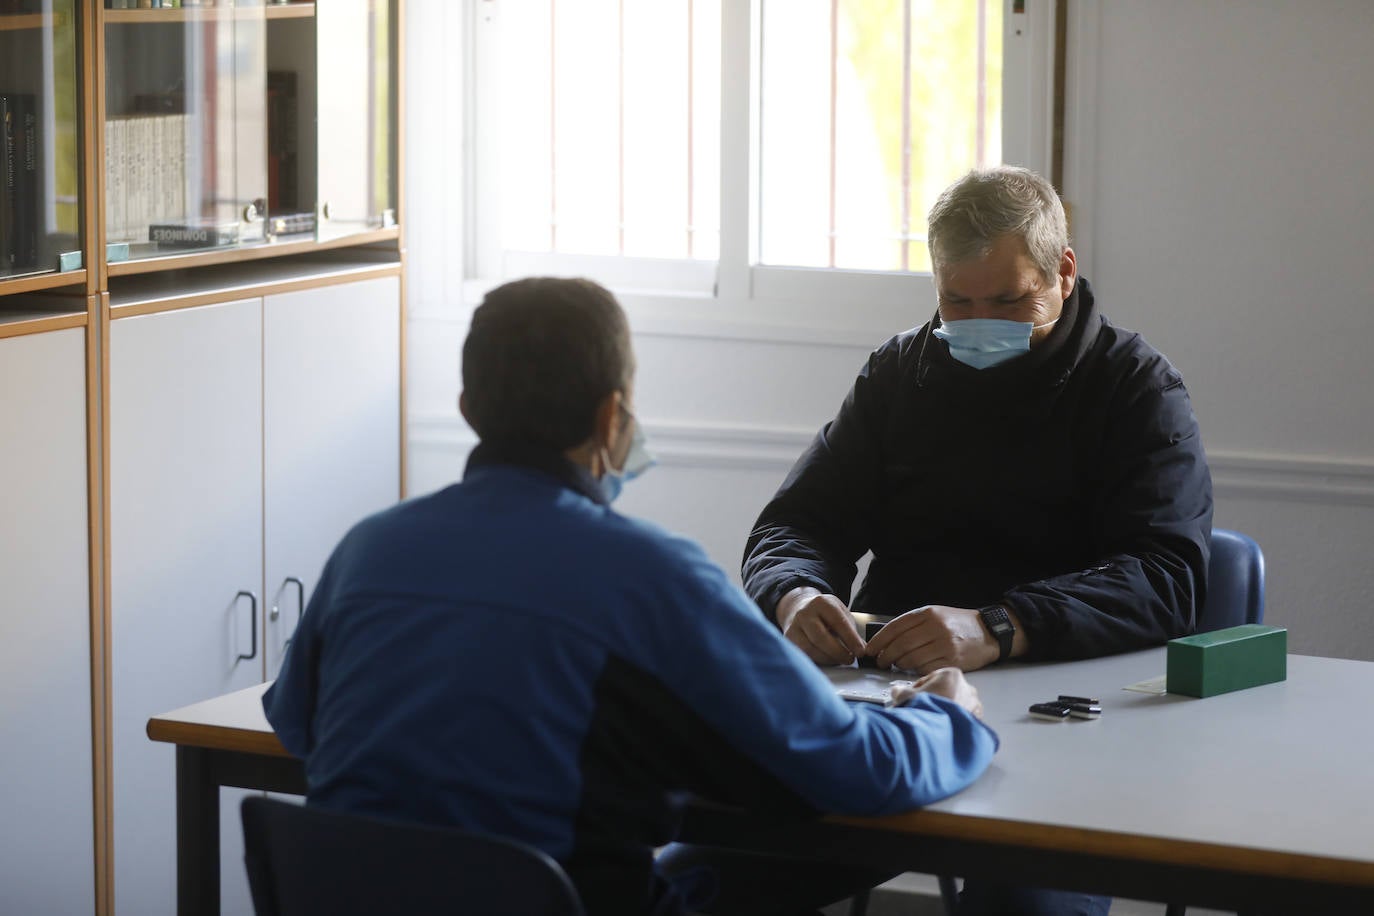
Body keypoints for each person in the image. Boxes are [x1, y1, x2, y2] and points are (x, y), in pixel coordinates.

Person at [262, 276, 999, 916]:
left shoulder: (368, 548)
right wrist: (946, 713)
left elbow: (293, 724)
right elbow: (854, 768)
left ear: (465, 407)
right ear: (612, 418)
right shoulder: (649, 575)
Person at [739, 166, 1213, 914]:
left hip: (1074, 719)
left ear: (1063, 272)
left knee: (1021, 908)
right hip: (897, 699)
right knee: (720, 871)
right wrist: (795, 592)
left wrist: (1001, 626)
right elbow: (795, 524)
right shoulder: (901, 372)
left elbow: (1168, 577)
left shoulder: (1136, 388)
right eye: (956, 301)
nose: (977, 320)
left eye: (1008, 300)